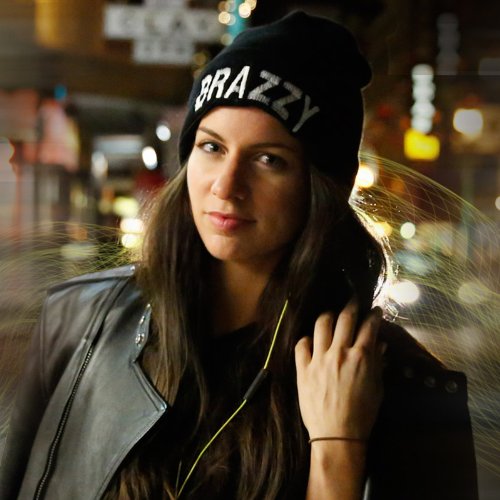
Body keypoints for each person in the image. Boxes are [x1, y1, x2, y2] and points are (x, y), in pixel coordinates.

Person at [0, 11, 478, 500]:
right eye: (211, 147)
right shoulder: (78, 319)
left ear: (321, 188)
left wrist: (338, 448)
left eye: (269, 159)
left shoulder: (401, 382)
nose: (226, 186)